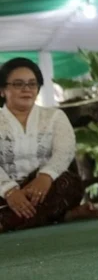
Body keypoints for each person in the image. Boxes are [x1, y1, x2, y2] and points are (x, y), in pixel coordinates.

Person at [0, 58, 84, 232]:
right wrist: (9, 191)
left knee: (68, 183)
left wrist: (46, 176)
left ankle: (7, 221)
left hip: (46, 189)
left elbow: (64, 152)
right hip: (4, 193)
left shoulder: (55, 116)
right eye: (18, 84)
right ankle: (57, 215)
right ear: (2, 90)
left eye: (32, 84)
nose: (26, 89)